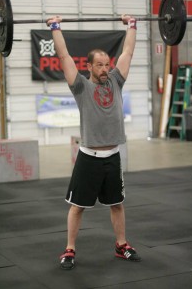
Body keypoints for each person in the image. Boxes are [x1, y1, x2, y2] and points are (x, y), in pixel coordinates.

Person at [46, 14, 141, 270]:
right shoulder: (80, 87)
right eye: (99, 65)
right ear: (89, 67)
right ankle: (69, 249)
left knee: (117, 204)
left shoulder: (116, 81)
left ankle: (121, 245)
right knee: (78, 207)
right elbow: (65, 56)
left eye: (106, 64)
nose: (104, 69)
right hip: (88, 157)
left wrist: (132, 25)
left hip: (113, 156)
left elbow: (128, 52)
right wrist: (56, 28)